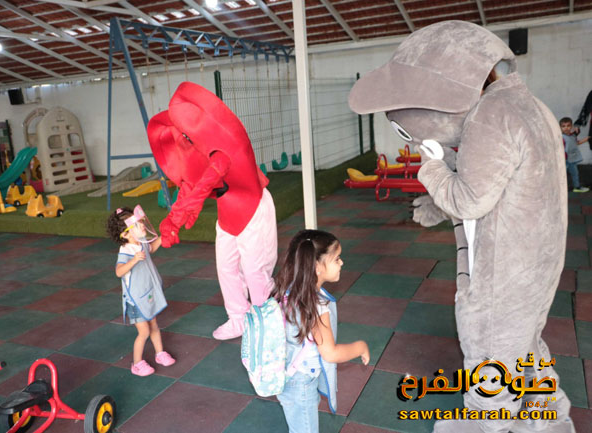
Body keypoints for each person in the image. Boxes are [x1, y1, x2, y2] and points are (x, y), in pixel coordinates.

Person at [349, 20, 574, 433]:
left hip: (504, 272)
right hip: (536, 265)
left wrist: (431, 168)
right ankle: (548, 416)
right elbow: (500, 184)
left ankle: (486, 424)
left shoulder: (492, 116)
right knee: (523, 342)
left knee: (489, 351)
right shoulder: (530, 106)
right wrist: (440, 202)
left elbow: (470, 199)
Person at [147, 82, 278, 341]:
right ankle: (238, 318)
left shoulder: (224, 149)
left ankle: (265, 321)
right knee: (226, 267)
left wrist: (181, 214)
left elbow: (206, 181)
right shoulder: (200, 150)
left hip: (251, 208)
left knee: (254, 270)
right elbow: (191, 184)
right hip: (228, 213)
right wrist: (172, 221)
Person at [271, 229, 369, 433]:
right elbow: (330, 353)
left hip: (287, 372)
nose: (341, 263)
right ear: (317, 267)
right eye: (336, 259)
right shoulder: (315, 306)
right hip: (300, 383)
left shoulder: (289, 289)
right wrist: (360, 347)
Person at [106, 206, 175, 376]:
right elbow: (119, 271)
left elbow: (152, 248)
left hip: (148, 294)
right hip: (136, 300)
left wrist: (165, 237)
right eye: (136, 224)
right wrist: (134, 260)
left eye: (140, 222)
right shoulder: (126, 251)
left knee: (154, 325)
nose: (142, 225)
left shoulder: (141, 243)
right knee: (144, 331)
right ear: (125, 235)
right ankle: (137, 363)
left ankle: (160, 353)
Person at [560, 116, 590, 193]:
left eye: (568, 126)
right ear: (560, 127)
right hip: (564, 160)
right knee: (561, 175)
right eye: (563, 126)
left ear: (571, 126)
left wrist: (586, 139)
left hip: (572, 159)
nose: (566, 128)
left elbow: (576, 143)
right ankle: (559, 188)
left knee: (575, 173)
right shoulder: (561, 137)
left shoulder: (572, 136)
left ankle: (577, 187)